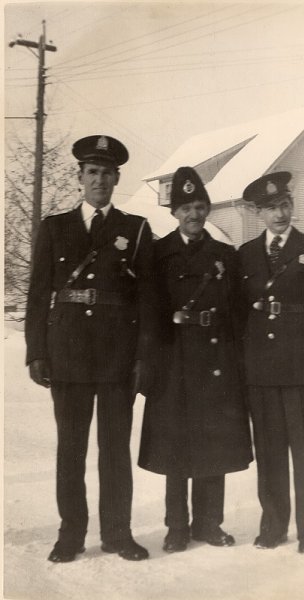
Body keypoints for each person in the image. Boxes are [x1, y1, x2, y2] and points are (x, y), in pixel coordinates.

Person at [25, 135, 154, 563]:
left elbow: (148, 298)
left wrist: (142, 357)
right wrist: (36, 351)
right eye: (92, 172)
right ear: (80, 178)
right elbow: (38, 293)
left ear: (117, 179)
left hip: (117, 356)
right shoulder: (55, 227)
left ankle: (118, 532)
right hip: (68, 353)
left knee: (115, 450)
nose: (100, 180)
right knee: (71, 449)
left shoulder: (134, 229)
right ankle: (71, 534)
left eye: (107, 173)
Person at [138, 166, 252, 553]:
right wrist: (150, 364)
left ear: (208, 211)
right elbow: (150, 313)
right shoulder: (157, 254)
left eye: (200, 207)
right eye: (186, 207)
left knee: (213, 445)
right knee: (175, 447)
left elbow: (237, 313)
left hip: (215, 359)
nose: (194, 215)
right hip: (173, 360)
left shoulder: (225, 256)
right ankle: (176, 526)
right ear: (174, 213)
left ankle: (210, 523)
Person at [238, 171, 304, 556]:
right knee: (269, 453)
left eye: (284, 205)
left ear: (292, 206)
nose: (279, 214)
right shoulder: (245, 255)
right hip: (262, 371)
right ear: (258, 213)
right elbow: (238, 315)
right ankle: (273, 525)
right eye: (269, 209)